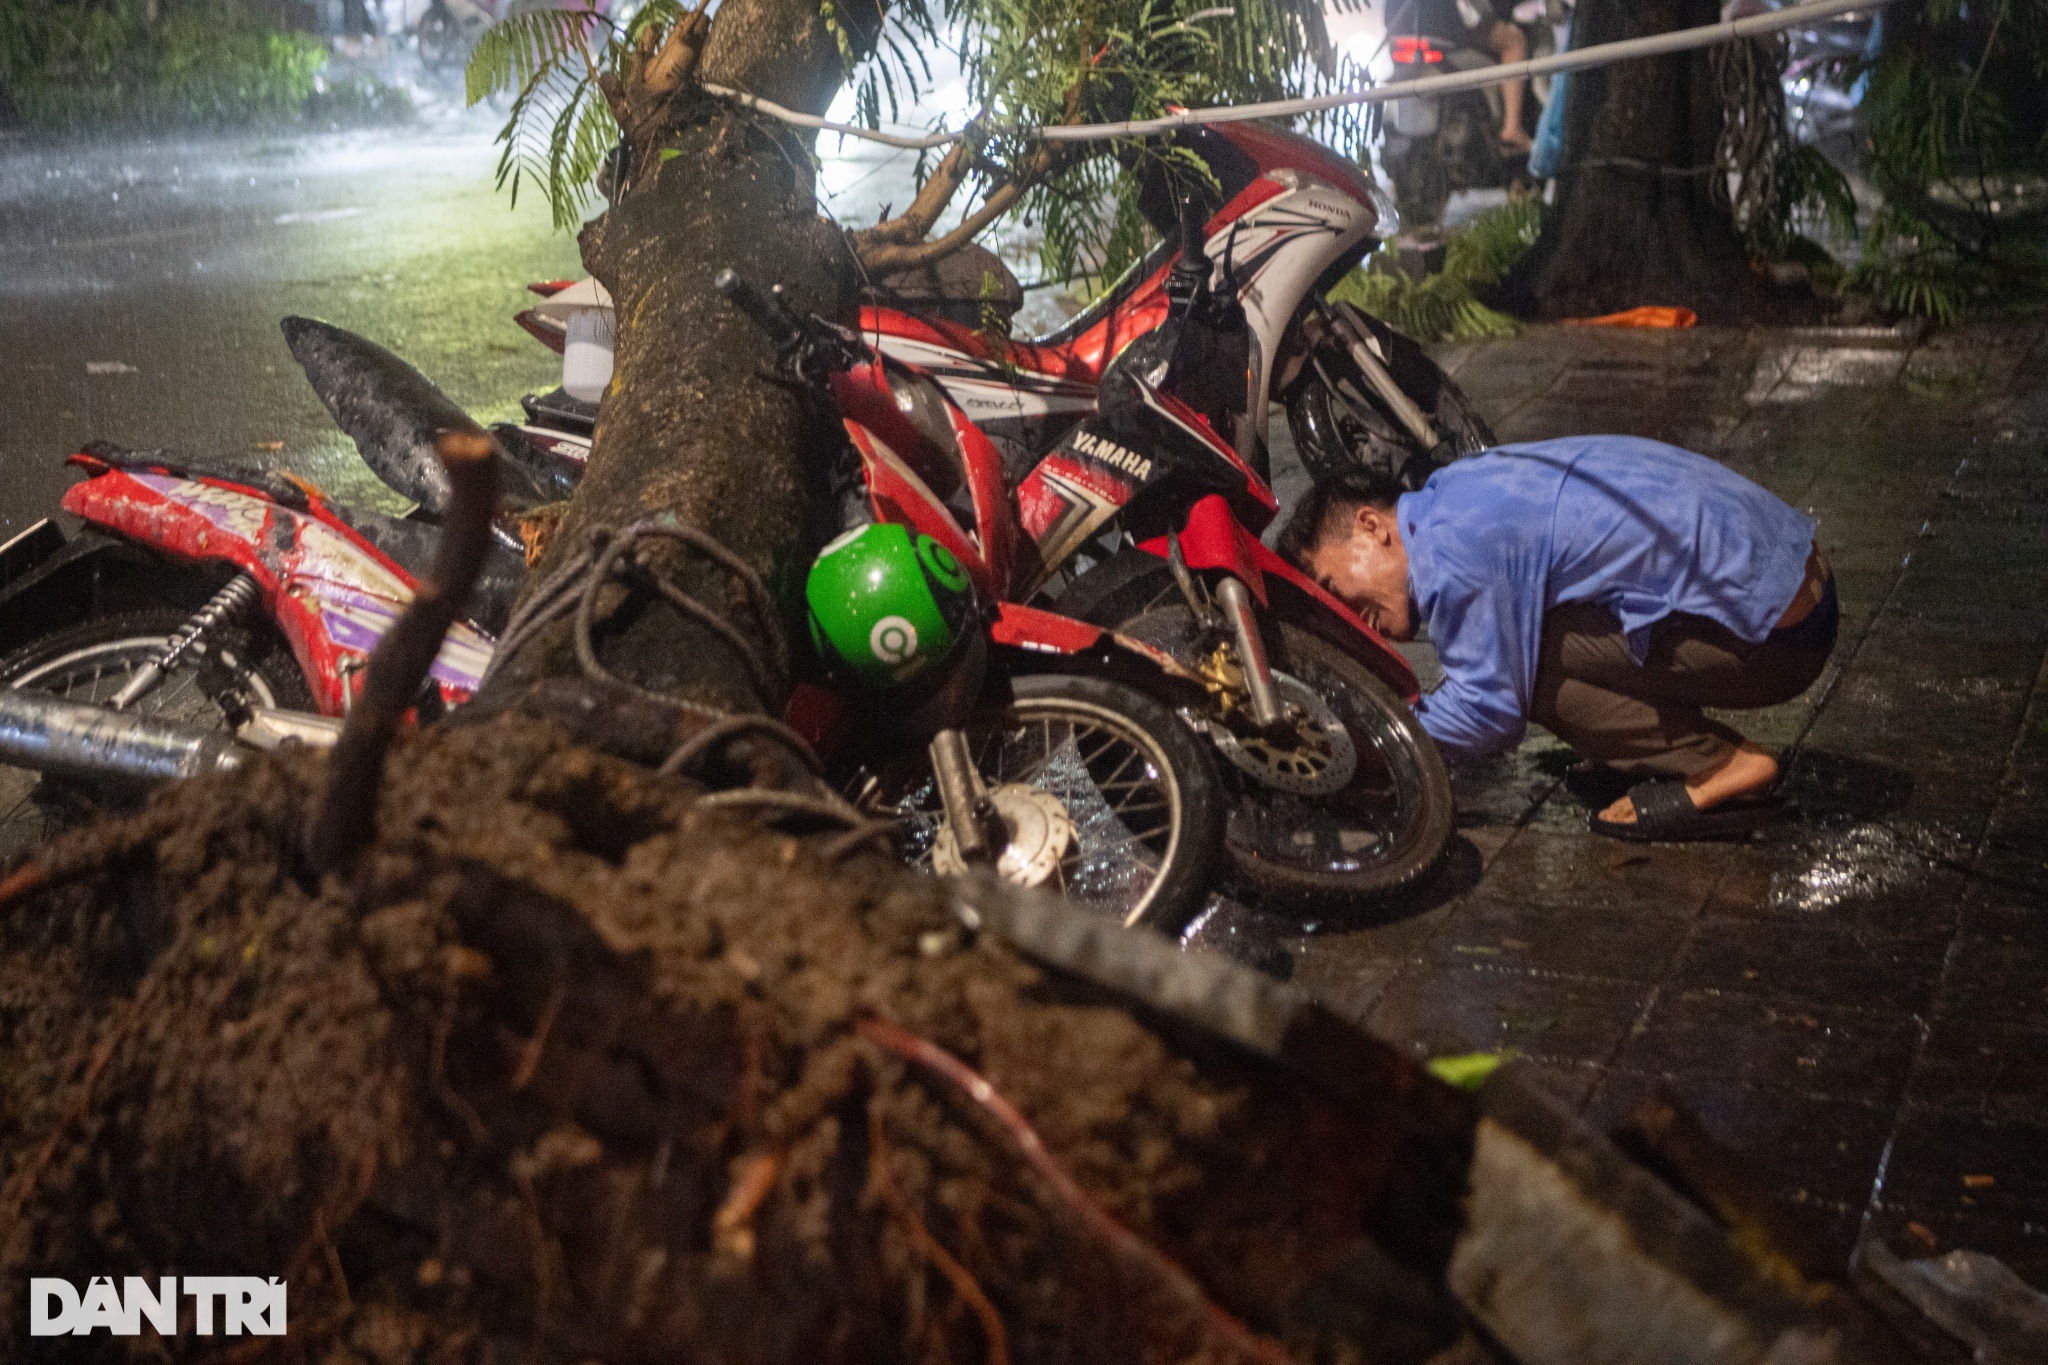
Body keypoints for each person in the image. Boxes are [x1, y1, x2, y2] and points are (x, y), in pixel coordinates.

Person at [1273, 437, 1838, 840]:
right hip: (1797, 574)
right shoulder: (1453, 490)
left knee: (1529, 671)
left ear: (1372, 528)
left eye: (1331, 588)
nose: (1342, 613)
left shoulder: (1451, 554)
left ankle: (1723, 766)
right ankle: (1626, 744)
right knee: (1522, 638)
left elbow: (1488, 711)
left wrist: (1372, 743)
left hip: (1781, 638)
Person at [1388, 0, 1536, 152]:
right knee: (1514, 40)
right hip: (1447, 35)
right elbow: (1476, 15)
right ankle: (1512, 128)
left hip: (1406, 47)